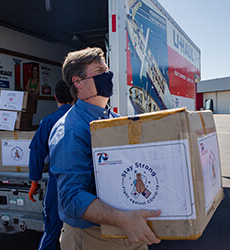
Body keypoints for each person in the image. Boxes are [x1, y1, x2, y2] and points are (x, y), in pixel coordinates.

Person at [48, 47, 161, 250]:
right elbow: (71, 197)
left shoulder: (112, 119)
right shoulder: (71, 129)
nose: (108, 75)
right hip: (93, 237)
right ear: (78, 82)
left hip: (127, 228)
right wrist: (123, 219)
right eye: (99, 71)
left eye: (107, 69)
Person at [28, 80, 74, 250]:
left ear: (55, 97)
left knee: (51, 231)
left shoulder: (48, 121)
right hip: (84, 183)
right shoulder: (86, 119)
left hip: (57, 182)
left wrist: (34, 180)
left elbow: (36, 151)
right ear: (74, 97)